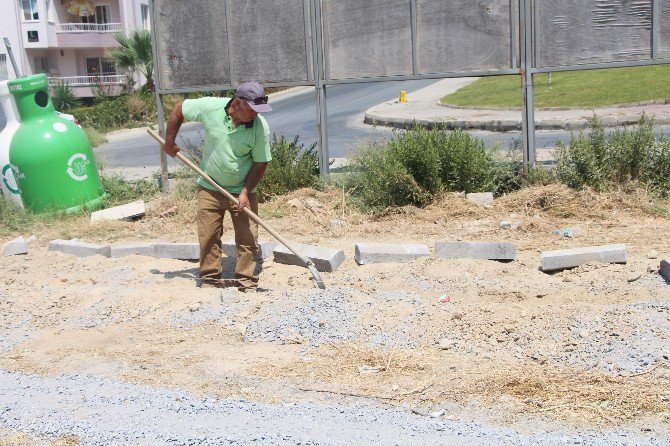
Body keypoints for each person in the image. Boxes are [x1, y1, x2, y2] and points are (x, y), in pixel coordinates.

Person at [162, 81, 272, 290]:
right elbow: (179, 109)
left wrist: (245, 192)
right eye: (252, 110)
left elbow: (260, 163)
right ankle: (211, 279)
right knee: (209, 235)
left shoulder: (259, 126)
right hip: (210, 186)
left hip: (242, 189)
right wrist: (169, 142)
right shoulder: (211, 107)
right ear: (238, 103)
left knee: (248, 237)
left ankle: (245, 280)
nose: (255, 115)